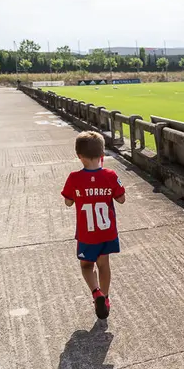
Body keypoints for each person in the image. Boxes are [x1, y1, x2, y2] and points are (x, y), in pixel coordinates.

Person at [61, 131, 126, 319]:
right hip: (106, 232)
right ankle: (105, 297)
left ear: (79, 156)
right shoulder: (110, 175)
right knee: (104, 265)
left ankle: (96, 292)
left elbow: (68, 202)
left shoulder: (74, 178)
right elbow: (121, 199)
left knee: (86, 266)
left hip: (87, 234)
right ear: (102, 154)